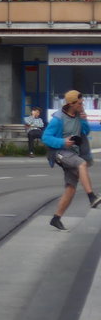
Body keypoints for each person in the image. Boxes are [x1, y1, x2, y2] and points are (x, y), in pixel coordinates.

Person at [42, 90, 101, 230]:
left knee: (71, 188)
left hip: (73, 154)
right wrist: (62, 141)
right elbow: (46, 138)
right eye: (79, 103)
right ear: (71, 103)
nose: (82, 105)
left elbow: (85, 131)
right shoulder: (58, 119)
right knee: (82, 164)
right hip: (59, 152)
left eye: (82, 103)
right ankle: (91, 197)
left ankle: (56, 218)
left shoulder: (79, 115)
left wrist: (84, 119)